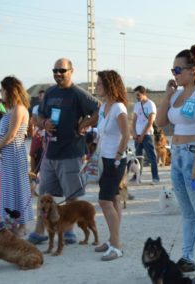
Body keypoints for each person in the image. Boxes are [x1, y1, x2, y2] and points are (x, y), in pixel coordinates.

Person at [156, 45, 195, 283]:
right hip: (178, 155)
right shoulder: (177, 94)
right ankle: (187, 257)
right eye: (173, 69)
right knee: (188, 212)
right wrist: (166, 95)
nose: (174, 73)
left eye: (178, 69)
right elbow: (161, 121)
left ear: (193, 70)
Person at [27, 58, 100, 244]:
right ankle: (39, 231)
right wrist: (44, 123)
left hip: (71, 151)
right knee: (44, 196)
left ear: (71, 71)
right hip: (50, 152)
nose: (58, 74)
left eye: (62, 70)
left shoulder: (78, 94)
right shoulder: (50, 92)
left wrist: (84, 124)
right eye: (55, 70)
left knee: (71, 196)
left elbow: (100, 109)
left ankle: (69, 230)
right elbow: (38, 114)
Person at [94, 70, 129, 261]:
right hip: (105, 158)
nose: (96, 86)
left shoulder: (118, 108)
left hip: (115, 160)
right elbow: (102, 134)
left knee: (104, 201)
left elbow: (126, 135)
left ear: (109, 85)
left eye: (99, 83)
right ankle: (112, 239)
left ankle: (116, 246)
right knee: (113, 199)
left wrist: (117, 157)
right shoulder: (104, 107)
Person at [0, 76, 33, 236]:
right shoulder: (12, 109)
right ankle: (13, 223)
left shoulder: (19, 109)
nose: (0, 92)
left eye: (2, 89)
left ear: (9, 90)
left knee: (17, 188)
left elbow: (12, 134)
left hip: (14, 153)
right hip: (9, 154)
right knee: (10, 189)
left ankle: (19, 225)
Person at [131, 85, 160, 184]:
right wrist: (134, 133)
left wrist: (142, 135)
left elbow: (150, 122)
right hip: (137, 135)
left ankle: (155, 177)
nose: (137, 97)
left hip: (147, 135)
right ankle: (137, 176)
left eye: (138, 95)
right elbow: (134, 120)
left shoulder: (151, 104)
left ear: (144, 94)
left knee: (151, 156)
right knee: (138, 158)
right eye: (136, 95)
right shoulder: (137, 105)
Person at [29, 90, 45, 174]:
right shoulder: (36, 108)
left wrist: (42, 125)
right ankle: (33, 172)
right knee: (32, 153)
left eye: (42, 95)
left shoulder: (49, 107)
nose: (40, 97)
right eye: (39, 96)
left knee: (45, 154)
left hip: (46, 134)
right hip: (37, 132)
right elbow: (33, 120)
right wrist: (41, 125)